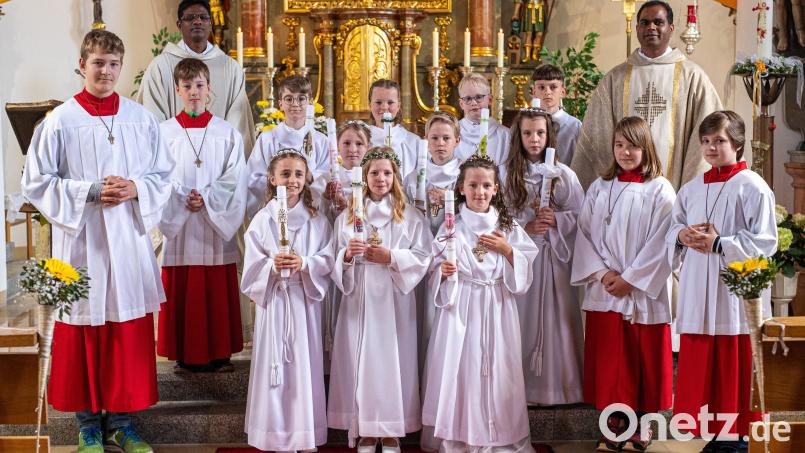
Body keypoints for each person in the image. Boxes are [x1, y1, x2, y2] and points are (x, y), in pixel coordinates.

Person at [21, 29, 174, 453]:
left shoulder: (140, 119)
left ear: (120, 68)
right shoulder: (60, 121)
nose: (105, 71)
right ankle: (89, 426)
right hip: (83, 241)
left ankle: (122, 424)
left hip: (125, 241)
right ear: (82, 65)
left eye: (112, 64)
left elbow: (163, 175)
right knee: (85, 328)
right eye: (97, 63)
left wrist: (136, 188)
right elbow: (35, 182)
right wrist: (87, 191)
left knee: (124, 331)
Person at [668, 111, 777, 453]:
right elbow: (671, 228)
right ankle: (709, 436)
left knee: (733, 368)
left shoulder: (753, 186)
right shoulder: (691, 188)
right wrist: (682, 235)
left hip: (732, 294)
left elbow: (766, 242)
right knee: (700, 368)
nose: (711, 148)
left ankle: (739, 438)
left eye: (719, 141)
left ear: (737, 143)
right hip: (698, 292)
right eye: (706, 141)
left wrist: (719, 244)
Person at [422, 151, 539, 453]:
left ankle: (500, 436)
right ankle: (462, 435)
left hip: (497, 306)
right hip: (463, 306)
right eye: (473, 185)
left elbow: (526, 267)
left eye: (486, 185)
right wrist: (444, 272)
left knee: (499, 371)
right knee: (464, 371)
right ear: (461, 188)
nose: (480, 192)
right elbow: (435, 268)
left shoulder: (507, 227)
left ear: (496, 189)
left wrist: (508, 251)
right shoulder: (452, 227)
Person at [572, 116, 676, 452]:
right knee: (610, 361)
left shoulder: (660, 188)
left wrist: (630, 279)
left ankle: (642, 424)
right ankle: (614, 424)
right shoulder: (600, 187)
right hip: (605, 288)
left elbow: (663, 239)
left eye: (632, 145)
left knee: (643, 358)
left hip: (642, 292)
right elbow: (584, 234)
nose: (625, 152)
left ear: (646, 147)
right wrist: (603, 275)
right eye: (619, 145)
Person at [328, 148, 432, 453]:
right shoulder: (347, 217)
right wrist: (346, 256)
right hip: (358, 299)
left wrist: (393, 256)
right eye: (374, 173)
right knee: (361, 364)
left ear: (395, 177)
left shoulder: (410, 216)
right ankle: (366, 431)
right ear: (364, 177)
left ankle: (390, 432)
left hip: (394, 301)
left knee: (392, 364)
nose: (381, 179)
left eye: (387, 173)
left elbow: (424, 256)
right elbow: (334, 254)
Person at [571, 0, 722, 190]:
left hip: (674, 189)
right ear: (637, 28)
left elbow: (709, 131)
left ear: (671, 28)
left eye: (658, 22)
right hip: (623, 190)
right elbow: (597, 136)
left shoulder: (692, 76)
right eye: (645, 22)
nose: (651, 27)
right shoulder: (616, 78)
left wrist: (690, 191)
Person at [241, 149, 334, 452]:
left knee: (303, 369)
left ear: (307, 178)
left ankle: (303, 434)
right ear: (271, 178)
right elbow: (252, 267)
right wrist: (271, 266)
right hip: (276, 303)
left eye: (297, 174)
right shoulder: (262, 221)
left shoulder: (317, 221)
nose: (292, 180)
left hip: (303, 302)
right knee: (275, 368)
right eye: (285, 174)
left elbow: (328, 258)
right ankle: (274, 436)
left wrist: (304, 263)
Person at [157, 58, 246, 374]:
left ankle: (220, 352)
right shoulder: (164, 133)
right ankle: (185, 352)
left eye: (199, 85)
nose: (193, 92)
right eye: (186, 86)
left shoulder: (226, 133)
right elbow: (157, 176)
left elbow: (236, 176)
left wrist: (206, 197)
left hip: (212, 223)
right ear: (177, 90)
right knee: (184, 286)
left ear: (209, 89)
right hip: (180, 227)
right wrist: (182, 197)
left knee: (214, 284)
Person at [503, 108, 585, 407]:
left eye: (540, 133)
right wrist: (525, 226)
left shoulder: (564, 175)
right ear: (519, 137)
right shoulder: (506, 174)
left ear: (550, 136)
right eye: (527, 133)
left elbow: (580, 216)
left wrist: (557, 220)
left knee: (556, 320)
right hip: (521, 259)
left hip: (553, 257)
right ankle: (520, 390)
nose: (534, 139)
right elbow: (496, 218)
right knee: (520, 322)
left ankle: (559, 389)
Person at [137, 0, 255, 152]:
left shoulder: (231, 68)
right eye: (190, 17)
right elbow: (152, 119)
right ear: (179, 24)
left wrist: (227, 159)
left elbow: (238, 124)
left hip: (219, 160)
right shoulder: (160, 67)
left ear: (210, 23)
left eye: (203, 17)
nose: (197, 21)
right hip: (174, 161)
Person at [246, 75, 329, 218]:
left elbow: (328, 175)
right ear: (280, 104)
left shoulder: (321, 140)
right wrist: (280, 185)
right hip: (276, 212)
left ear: (310, 103)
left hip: (311, 213)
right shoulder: (267, 139)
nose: (295, 104)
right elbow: (253, 177)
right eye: (289, 99)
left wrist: (312, 178)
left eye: (301, 98)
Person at [403, 112, 463, 234]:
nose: (440, 143)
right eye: (434, 138)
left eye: (446, 138)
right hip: (421, 242)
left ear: (457, 141)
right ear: (426, 140)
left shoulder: (465, 175)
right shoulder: (413, 179)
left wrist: (452, 200)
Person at [367, 79, 421, 179]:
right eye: (378, 102)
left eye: (390, 102)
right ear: (370, 105)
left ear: (398, 106)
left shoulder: (414, 142)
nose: (384, 107)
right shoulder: (361, 140)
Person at [454, 73, 511, 165]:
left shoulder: (505, 135)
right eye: (468, 98)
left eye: (479, 97)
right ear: (461, 104)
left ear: (490, 100)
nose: (473, 103)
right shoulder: (453, 133)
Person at [531, 64, 581, 165]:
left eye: (553, 87)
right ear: (534, 92)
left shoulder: (575, 126)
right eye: (541, 87)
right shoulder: (525, 124)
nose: (547, 92)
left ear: (563, 92)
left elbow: (581, 163)